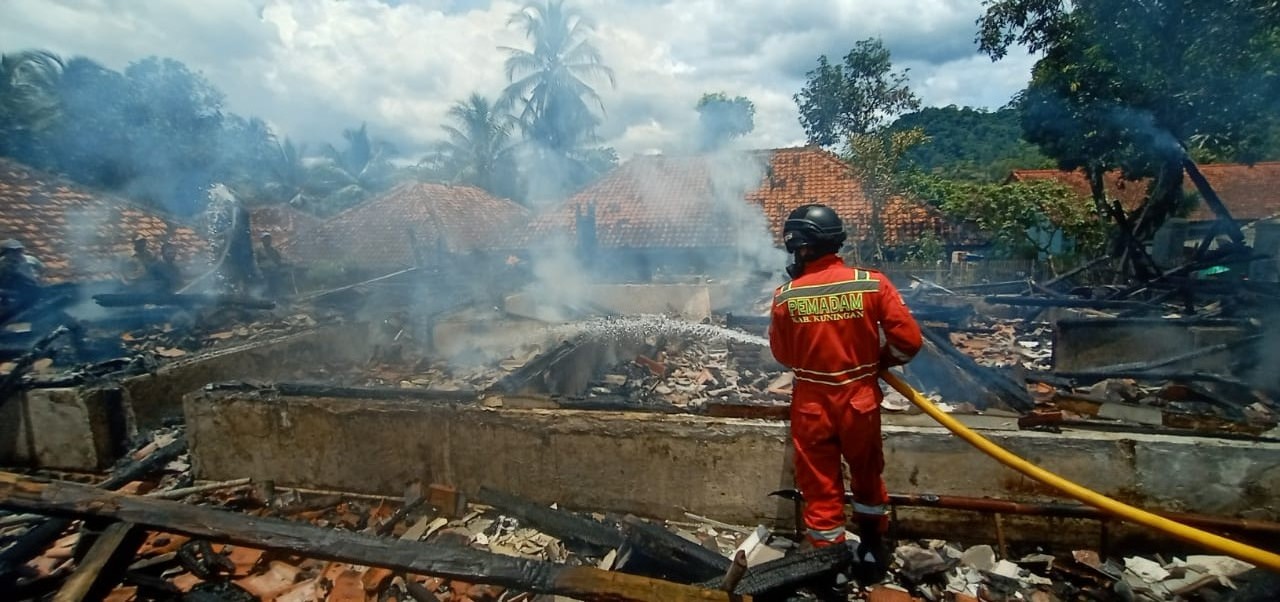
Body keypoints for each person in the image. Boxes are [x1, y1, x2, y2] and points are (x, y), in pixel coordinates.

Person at [767, 204, 922, 582]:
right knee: (868, 476)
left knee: (820, 485)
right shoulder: (872, 283)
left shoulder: (786, 297)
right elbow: (909, 342)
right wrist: (878, 360)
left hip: (811, 406)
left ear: (803, 247)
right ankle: (871, 551)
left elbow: (783, 355)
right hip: (860, 401)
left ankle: (829, 565)